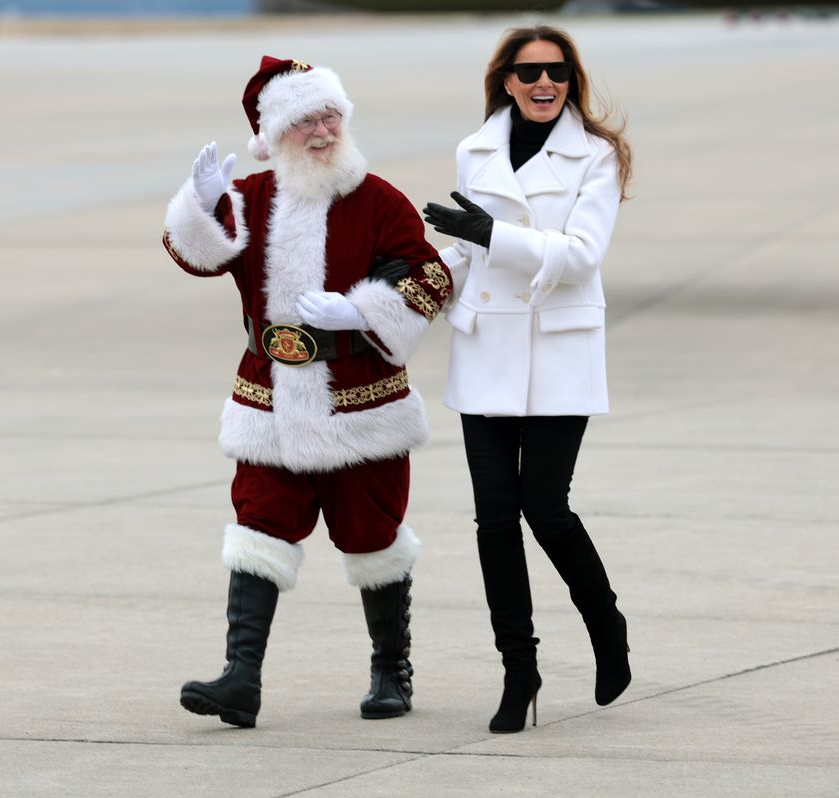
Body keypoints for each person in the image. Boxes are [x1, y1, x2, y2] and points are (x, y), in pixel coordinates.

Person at [163, 56, 453, 728]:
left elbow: (431, 278)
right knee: (258, 526)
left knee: (373, 536)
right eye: (305, 121)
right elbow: (193, 255)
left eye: (330, 116)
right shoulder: (256, 199)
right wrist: (201, 204)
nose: (323, 131)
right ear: (275, 135)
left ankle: (391, 670)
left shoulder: (378, 198)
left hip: (361, 401)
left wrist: (363, 311)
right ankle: (241, 679)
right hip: (269, 399)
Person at [422, 25, 633, 734]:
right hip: (486, 353)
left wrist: (488, 237)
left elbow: (579, 255)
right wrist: (430, 270)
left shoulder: (596, 156)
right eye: (530, 72)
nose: (545, 83)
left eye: (558, 72)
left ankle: (607, 628)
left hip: (557, 354)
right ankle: (521, 671)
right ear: (506, 81)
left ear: (571, 80)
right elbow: (472, 248)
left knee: (545, 507)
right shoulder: (475, 148)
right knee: (493, 520)